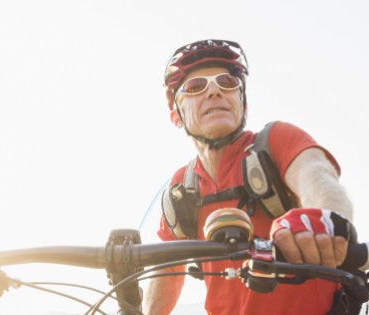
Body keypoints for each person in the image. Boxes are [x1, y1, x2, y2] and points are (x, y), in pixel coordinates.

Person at [143, 39, 356, 315]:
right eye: (196, 88)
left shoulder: (275, 142)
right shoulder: (181, 188)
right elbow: (164, 269)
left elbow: (316, 176)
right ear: (176, 115)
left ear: (243, 105)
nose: (215, 92)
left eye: (227, 83)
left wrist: (324, 219)